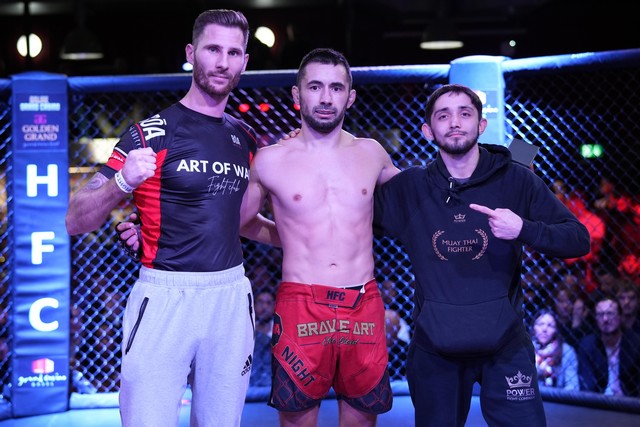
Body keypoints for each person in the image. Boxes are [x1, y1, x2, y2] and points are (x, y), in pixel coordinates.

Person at [120, 47, 398, 426]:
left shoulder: (373, 154)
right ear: (297, 95)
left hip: (362, 298)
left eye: (336, 88)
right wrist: (291, 238)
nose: (326, 97)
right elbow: (238, 221)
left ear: (350, 97)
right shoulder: (270, 159)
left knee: (362, 419)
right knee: (297, 418)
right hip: (301, 300)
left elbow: (422, 199)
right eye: (315, 87)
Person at [65, 9, 278, 427]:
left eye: (233, 52)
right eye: (212, 49)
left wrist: (304, 241)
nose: (223, 62)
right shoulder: (151, 132)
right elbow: (75, 219)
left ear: (245, 61)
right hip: (165, 295)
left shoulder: (245, 139)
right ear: (191, 53)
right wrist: (122, 182)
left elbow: (239, 222)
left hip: (229, 296)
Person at [373, 84, 591, 426]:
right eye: (443, 116)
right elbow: (346, 214)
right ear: (428, 131)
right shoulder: (411, 187)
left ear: (481, 124)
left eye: (465, 113)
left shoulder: (516, 179)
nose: (455, 122)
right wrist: (307, 147)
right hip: (435, 348)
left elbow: (578, 239)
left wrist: (523, 228)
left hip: (505, 345)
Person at [577, 297, 640, 396]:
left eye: (610, 313)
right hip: (597, 400)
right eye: (600, 315)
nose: (605, 319)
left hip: (629, 401)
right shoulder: (588, 345)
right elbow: (587, 384)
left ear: (620, 316)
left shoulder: (635, 344)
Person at [530, 309, 579, 390]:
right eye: (541, 324)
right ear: (534, 327)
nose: (544, 329)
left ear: (556, 330)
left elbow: (573, 386)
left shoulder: (567, 351)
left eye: (550, 326)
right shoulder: (524, 348)